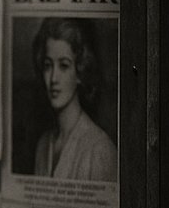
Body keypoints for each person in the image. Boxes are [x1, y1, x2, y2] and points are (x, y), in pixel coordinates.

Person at [30, 16, 117, 181]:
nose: (53, 79)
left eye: (64, 65)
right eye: (48, 65)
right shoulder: (43, 145)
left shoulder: (100, 150)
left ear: (80, 71)